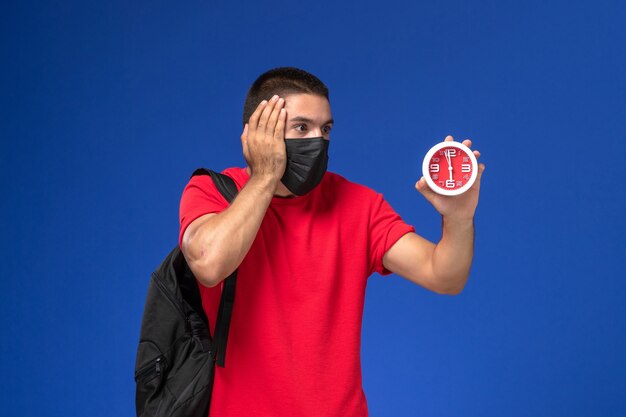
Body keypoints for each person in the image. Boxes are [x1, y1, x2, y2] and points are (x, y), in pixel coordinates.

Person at [178, 67, 485, 417]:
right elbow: (208, 263)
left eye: (325, 130)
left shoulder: (358, 205)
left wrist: (458, 216)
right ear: (257, 133)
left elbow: (444, 275)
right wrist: (264, 175)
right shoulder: (211, 191)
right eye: (300, 127)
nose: (318, 141)